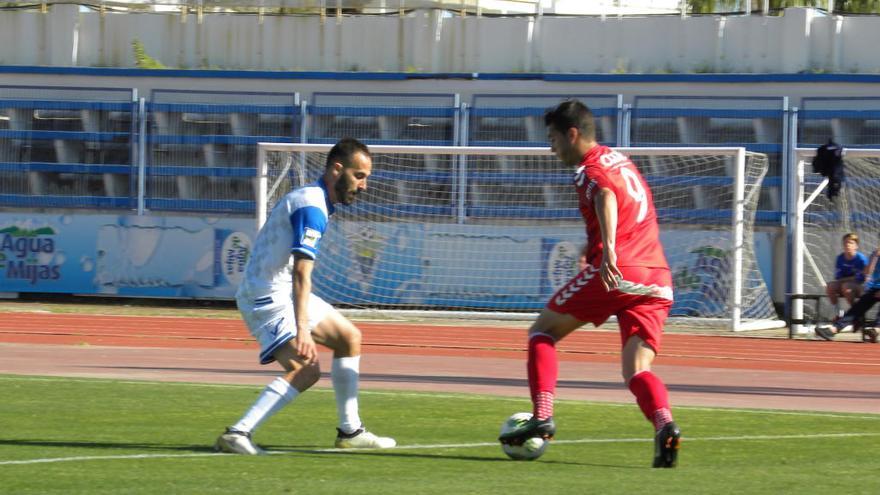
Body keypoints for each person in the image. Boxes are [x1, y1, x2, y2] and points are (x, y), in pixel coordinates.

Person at [497, 100, 681, 468]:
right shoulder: (620, 159)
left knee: (542, 332)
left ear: (572, 134)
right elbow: (626, 202)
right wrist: (595, 241)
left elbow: (606, 196)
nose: (551, 147)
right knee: (636, 369)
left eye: (552, 138)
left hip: (618, 270)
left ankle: (542, 414)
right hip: (657, 276)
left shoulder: (589, 167)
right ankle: (666, 427)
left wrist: (609, 250)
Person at [215, 138, 396, 455]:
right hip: (266, 296)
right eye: (359, 175)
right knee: (307, 369)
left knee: (348, 338)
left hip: (280, 289)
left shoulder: (316, 199)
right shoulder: (312, 207)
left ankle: (350, 432)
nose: (364, 186)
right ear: (337, 169)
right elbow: (302, 272)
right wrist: (302, 331)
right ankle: (237, 433)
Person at [816, 242, 880, 343]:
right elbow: (867, 272)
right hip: (875, 288)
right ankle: (834, 329)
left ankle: (876, 329)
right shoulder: (875, 254)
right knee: (858, 307)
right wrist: (875, 257)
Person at [825, 233, 868, 319]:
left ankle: (856, 313)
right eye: (845, 243)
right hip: (845, 284)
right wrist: (849, 279)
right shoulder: (840, 258)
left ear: (856, 246)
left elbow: (861, 278)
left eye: (850, 243)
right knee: (830, 286)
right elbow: (838, 277)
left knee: (846, 287)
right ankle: (839, 313)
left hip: (861, 287)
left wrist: (847, 280)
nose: (847, 245)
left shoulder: (861, 259)